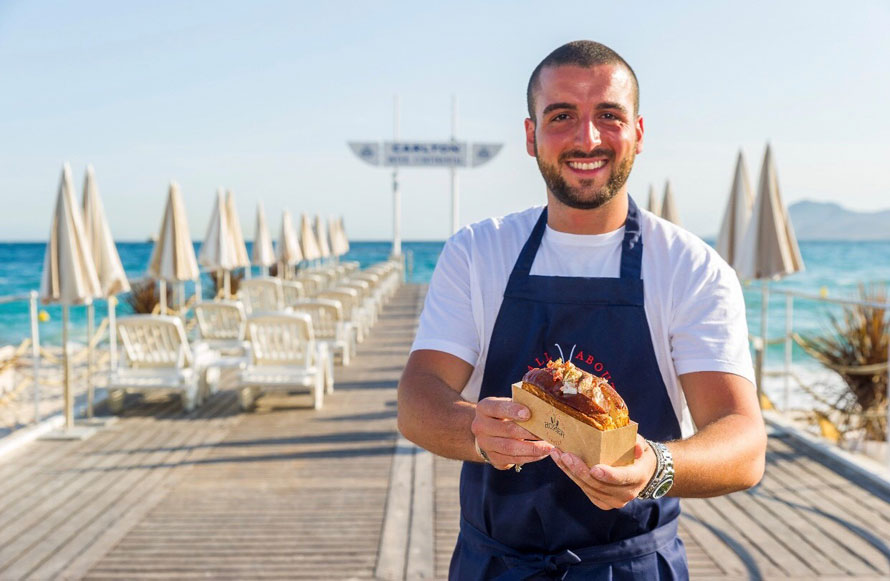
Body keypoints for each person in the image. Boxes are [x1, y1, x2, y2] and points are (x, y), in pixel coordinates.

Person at [397, 40, 766, 580]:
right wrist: (475, 430)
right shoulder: (478, 253)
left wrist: (655, 468)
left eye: (609, 116)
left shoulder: (690, 268)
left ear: (638, 133)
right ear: (532, 136)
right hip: (495, 565)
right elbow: (417, 397)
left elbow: (743, 441)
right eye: (562, 115)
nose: (586, 137)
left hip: (633, 565)